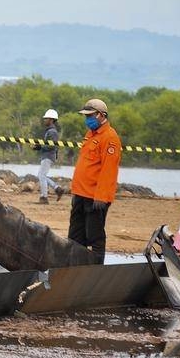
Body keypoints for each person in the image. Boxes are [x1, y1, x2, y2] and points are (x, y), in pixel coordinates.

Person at [69, 98, 122, 264]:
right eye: (86, 116)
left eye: (90, 116)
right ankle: (75, 269)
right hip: (80, 194)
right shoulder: (90, 135)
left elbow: (109, 170)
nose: (87, 119)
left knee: (95, 237)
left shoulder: (110, 138)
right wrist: (75, 192)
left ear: (101, 115)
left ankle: (96, 270)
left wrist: (101, 196)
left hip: (95, 198)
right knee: (75, 237)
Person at [34, 108, 65, 204]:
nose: (44, 120)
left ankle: (44, 197)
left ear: (51, 120)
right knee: (41, 175)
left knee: (41, 175)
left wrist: (40, 147)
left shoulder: (52, 132)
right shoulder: (50, 131)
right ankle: (57, 188)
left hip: (48, 156)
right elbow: (48, 145)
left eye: (46, 118)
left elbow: (51, 146)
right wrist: (39, 147)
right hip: (47, 155)